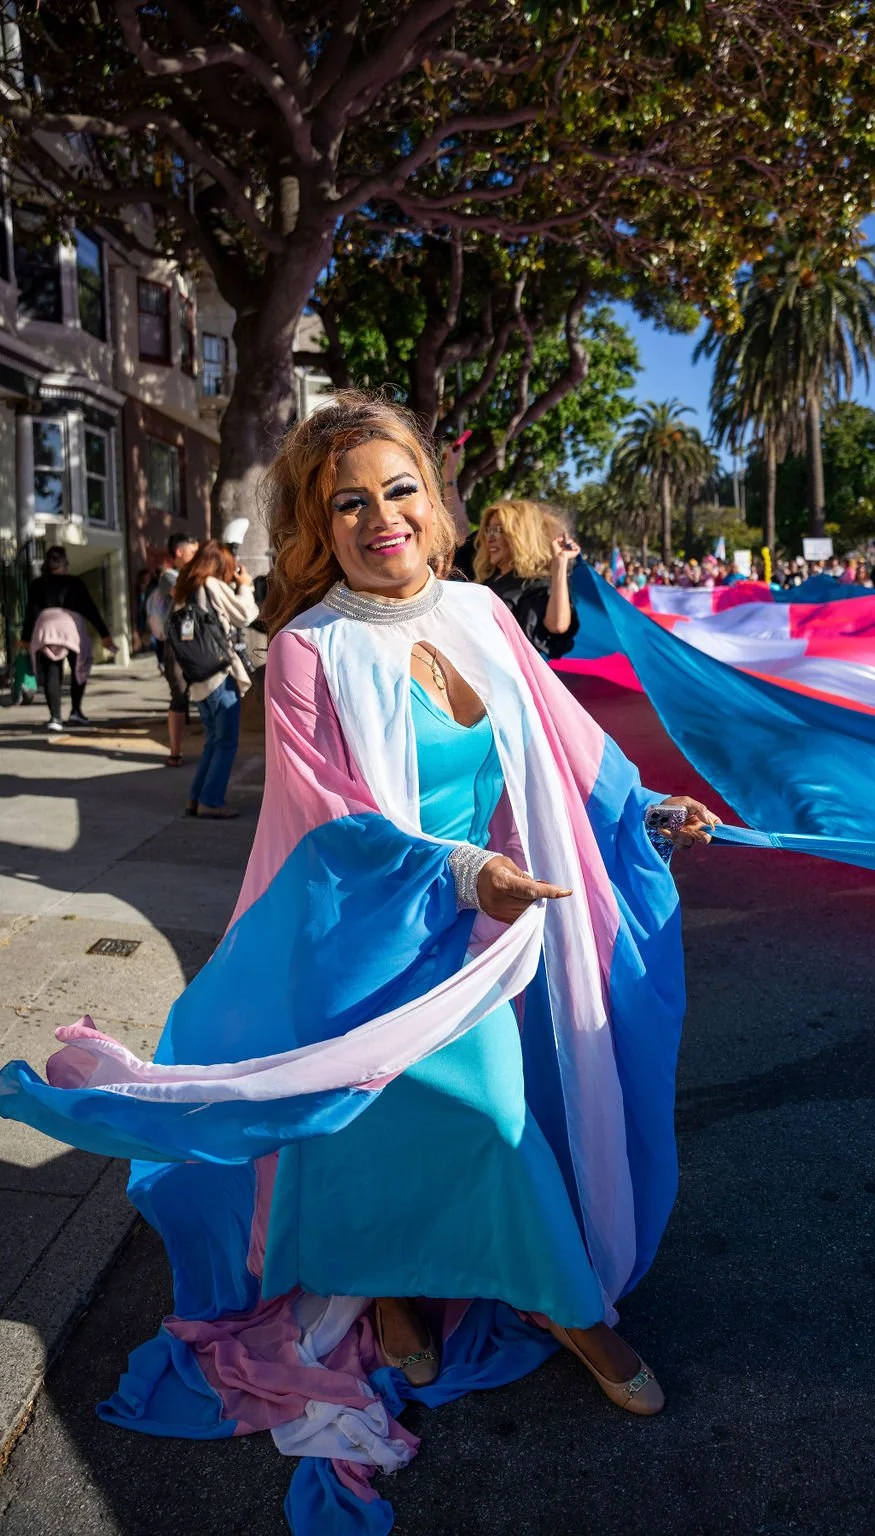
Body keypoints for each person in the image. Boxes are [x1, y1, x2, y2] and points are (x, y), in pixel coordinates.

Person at [0, 390, 721, 1530]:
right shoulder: (305, 651)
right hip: (372, 942)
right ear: (315, 525)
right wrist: (457, 876)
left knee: (482, 1124)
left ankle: (517, 1301)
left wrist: (650, 812)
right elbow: (334, 825)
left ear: (434, 507)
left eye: (399, 490)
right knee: (457, 1123)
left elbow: (570, 754)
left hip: (489, 934)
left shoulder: (485, 614)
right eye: (348, 502)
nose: (380, 516)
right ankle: (460, 1300)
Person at [170, 539, 258, 819]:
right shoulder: (210, 585)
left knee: (213, 741)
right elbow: (245, 614)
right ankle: (211, 801)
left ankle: (195, 799)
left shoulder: (185, 590)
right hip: (219, 674)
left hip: (198, 678)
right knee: (226, 742)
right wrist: (245, 585)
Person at [20, 546, 115, 731]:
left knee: (51, 673)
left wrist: (25, 638)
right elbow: (90, 608)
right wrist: (104, 634)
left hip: (46, 628)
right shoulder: (75, 583)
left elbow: (31, 612)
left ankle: (55, 718)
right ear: (64, 564)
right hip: (71, 627)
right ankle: (76, 712)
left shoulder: (38, 584)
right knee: (79, 668)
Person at [474, 498, 580, 659]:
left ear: (520, 535)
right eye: (488, 530)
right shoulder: (488, 578)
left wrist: (559, 563)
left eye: (499, 530)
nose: (490, 537)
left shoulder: (536, 585)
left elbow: (557, 626)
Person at [147, 531, 200, 766]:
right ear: (179, 552)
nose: (196, 557)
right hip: (177, 643)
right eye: (193, 552)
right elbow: (182, 592)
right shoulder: (168, 577)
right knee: (179, 694)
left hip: (197, 642)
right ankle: (175, 751)